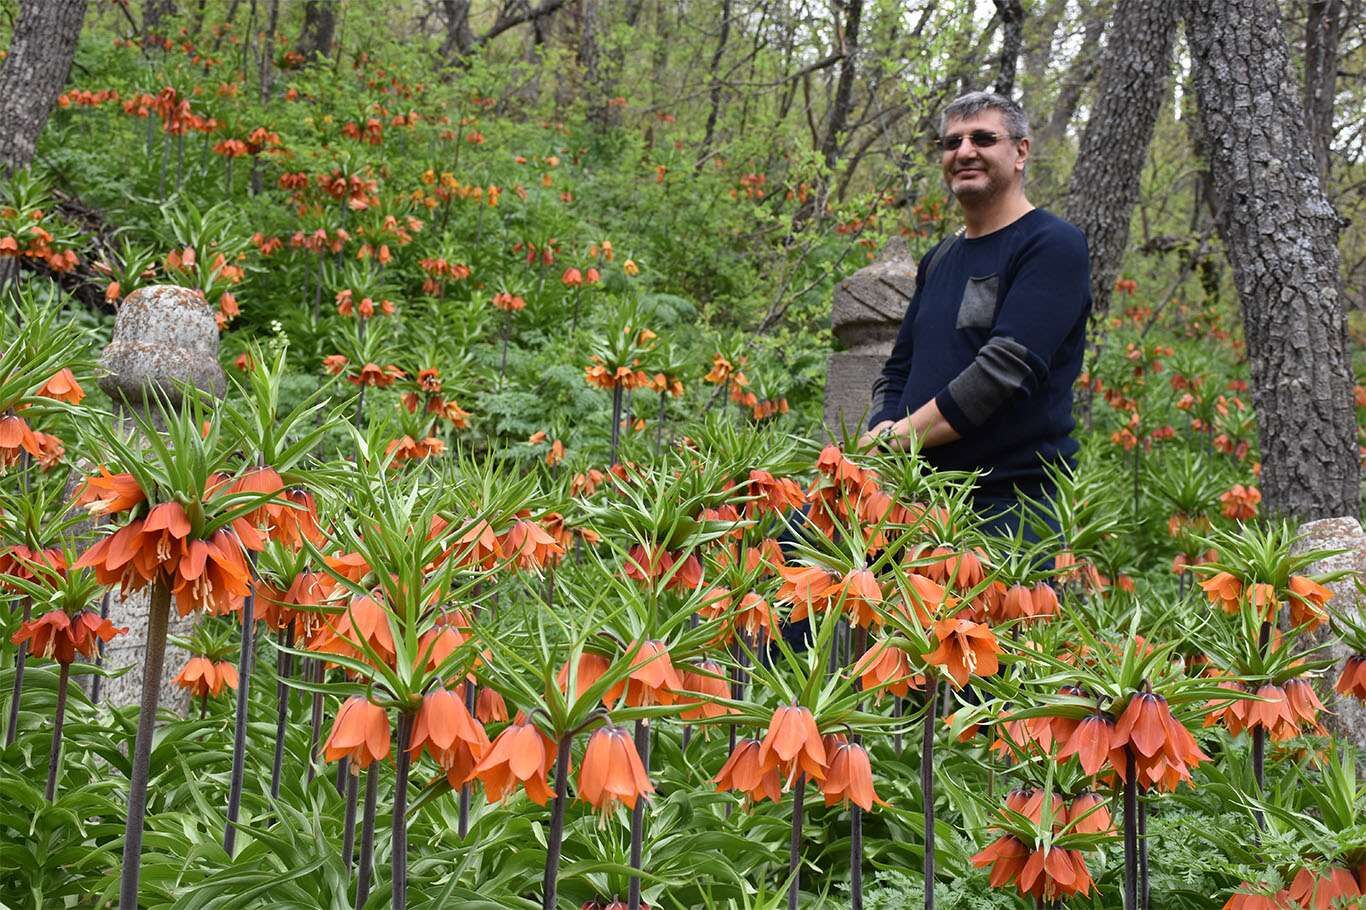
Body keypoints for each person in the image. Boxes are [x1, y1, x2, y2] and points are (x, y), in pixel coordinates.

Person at [857, 91, 1092, 536]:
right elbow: (898, 368)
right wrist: (882, 426)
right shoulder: (940, 257)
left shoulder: (1051, 245)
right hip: (908, 495)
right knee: (787, 556)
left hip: (1002, 508)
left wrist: (894, 439)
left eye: (983, 138)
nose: (965, 151)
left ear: (1020, 151)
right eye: (952, 142)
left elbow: (1002, 373)